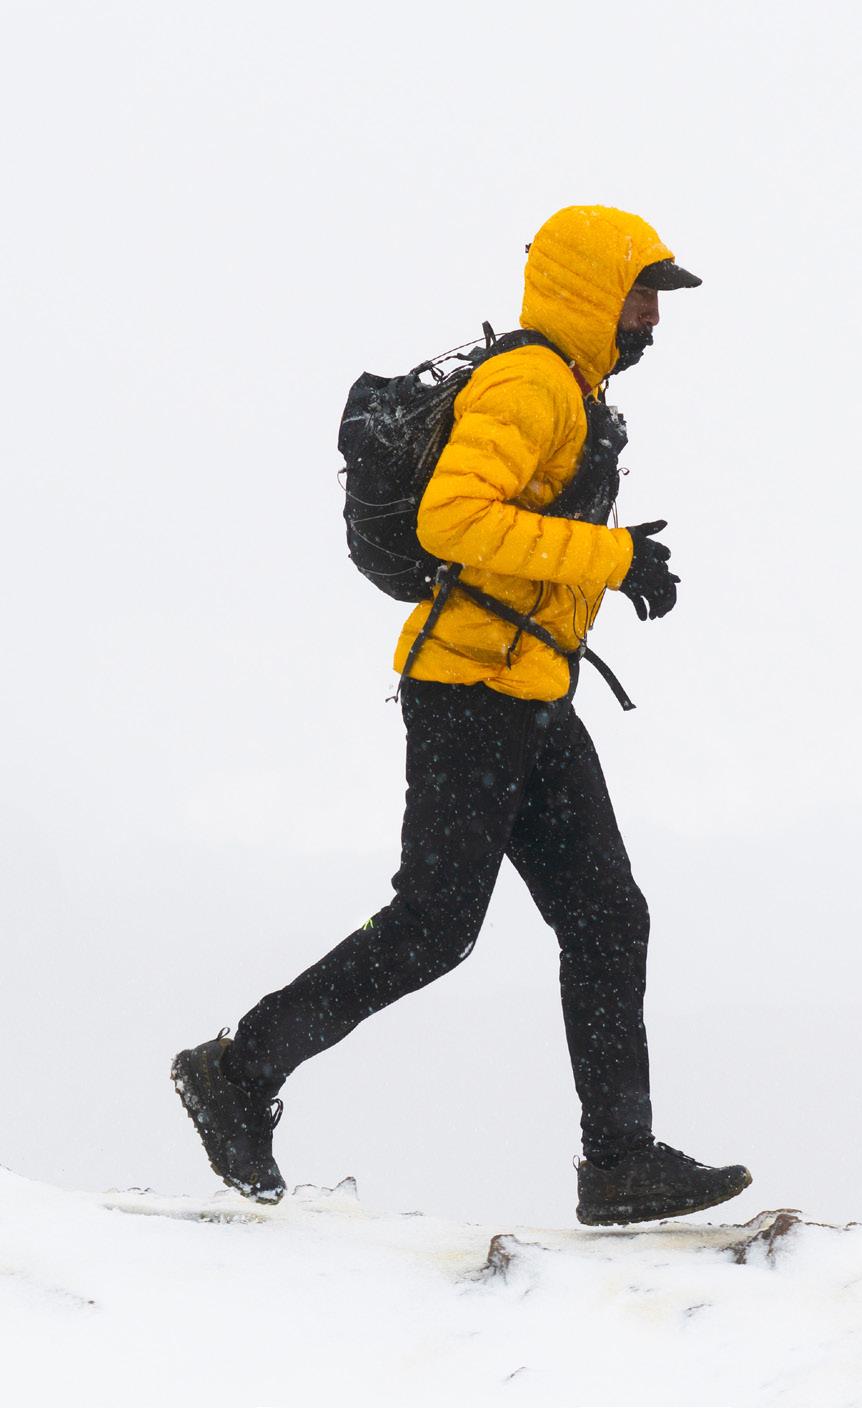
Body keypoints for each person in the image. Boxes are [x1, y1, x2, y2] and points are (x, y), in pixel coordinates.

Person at [171, 206, 751, 1226]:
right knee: (434, 927)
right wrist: (610, 557)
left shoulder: (575, 393)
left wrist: (614, 570)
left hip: (529, 694)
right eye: (642, 292)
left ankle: (620, 1162)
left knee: (607, 916)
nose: (655, 315)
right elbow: (454, 517)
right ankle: (235, 1071)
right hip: (468, 693)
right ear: (592, 290)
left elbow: (524, 538)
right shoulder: (531, 384)